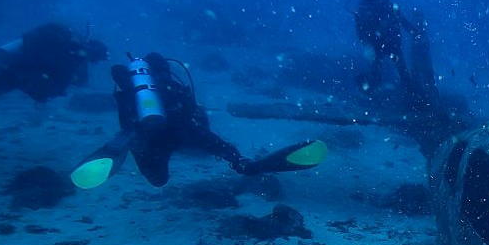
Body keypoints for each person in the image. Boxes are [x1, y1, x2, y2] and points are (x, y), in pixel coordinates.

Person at [70, 52, 327, 189]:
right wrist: (234, 157)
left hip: (147, 137)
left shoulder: (131, 92)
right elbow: (198, 124)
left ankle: (126, 150)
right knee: (227, 154)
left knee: (157, 179)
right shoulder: (172, 86)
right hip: (184, 131)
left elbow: (126, 120)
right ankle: (248, 164)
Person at [0, 23, 108, 102]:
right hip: (17, 74)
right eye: (96, 58)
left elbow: (71, 81)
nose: (93, 61)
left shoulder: (73, 53)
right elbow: (66, 81)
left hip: (17, 73)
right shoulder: (72, 53)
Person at [353, 0, 411, 91]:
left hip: (386, 44)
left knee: (401, 71)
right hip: (383, 45)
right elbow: (403, 21)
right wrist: (414, 32)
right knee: (399, 71)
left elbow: (360, 31)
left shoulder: (385, 6)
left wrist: (366, 44)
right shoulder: (363, 9)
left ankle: (408, 91)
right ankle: (408, 91)